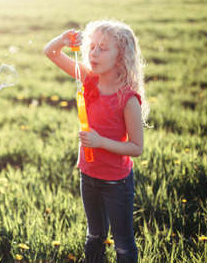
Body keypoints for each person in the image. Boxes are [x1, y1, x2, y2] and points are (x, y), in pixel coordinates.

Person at [44, 20, 149, 263]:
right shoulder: (88, 77)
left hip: (116, 182)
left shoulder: (127, 99)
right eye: (92, 46)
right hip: (88, 174)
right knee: (95, 235)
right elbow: (50, 52)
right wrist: (62, 39)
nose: (94, 52)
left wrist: (100, 141)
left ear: (121, 57)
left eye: (103, 48)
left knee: (123, 243)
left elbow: (136, 147)